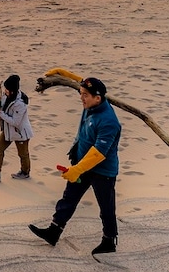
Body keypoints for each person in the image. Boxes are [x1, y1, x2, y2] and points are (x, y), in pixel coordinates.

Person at [29, 76, 121, 254]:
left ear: (98, 98)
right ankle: (54, 231)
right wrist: (59, 74)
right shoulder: (90, 105)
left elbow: (99, 153)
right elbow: (78, 80)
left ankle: (109, 241)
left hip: (102, 170)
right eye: (81, 94)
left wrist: (77, 170)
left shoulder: (109, 121)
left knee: (106, 207)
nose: (81, 98)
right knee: (69, 198)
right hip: (81, 164)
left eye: (85, 95)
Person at [0, 73, 32, 181]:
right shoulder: (6, 95)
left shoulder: (20, 104)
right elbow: (4, 107)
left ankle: (25, 172)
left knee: (23, 154)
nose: (5, 91)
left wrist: (0, 113)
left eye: (7, 89)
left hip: (20, 133)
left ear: (13, 91)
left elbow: (16, 122)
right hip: (8, 131)